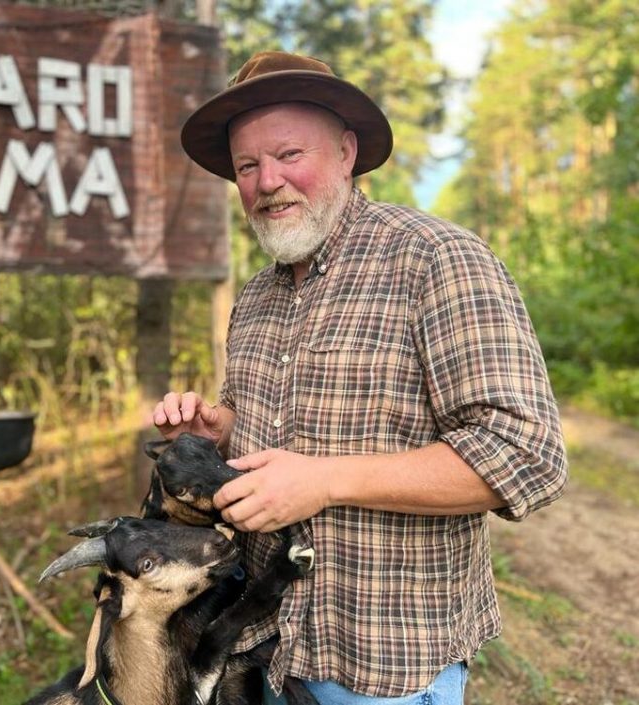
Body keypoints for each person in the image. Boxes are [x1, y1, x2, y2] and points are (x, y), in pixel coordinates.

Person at [152, 51, 568, 703]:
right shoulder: (257, 294)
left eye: (289, 154)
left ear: (347, 152)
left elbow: (527, 454)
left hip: (385, 666)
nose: (268, 181)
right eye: (248, 166)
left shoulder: (437, 259)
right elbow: (267, 435)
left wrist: (327, 480)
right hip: (264, 641)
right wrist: (220, 427)